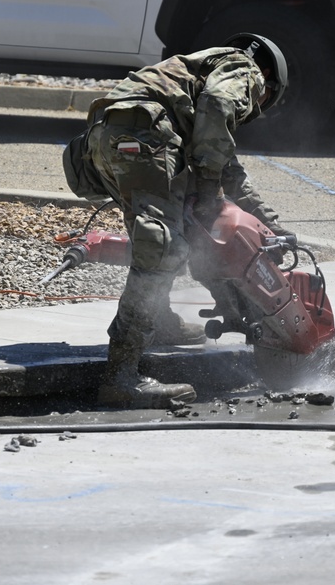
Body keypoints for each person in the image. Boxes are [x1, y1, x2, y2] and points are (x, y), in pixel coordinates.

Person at [63, 34, 294, 409]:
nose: (254, 104)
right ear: (267, 77)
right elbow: (219, 107)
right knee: (164, 248)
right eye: (262, 99)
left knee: (165, 233)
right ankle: (121, 377)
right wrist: (206, 190)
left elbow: (228, 169)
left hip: (108, 138)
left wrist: (274, 226)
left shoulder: (190, 77)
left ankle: (161, 323)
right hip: (144, 137)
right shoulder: (244, 67)